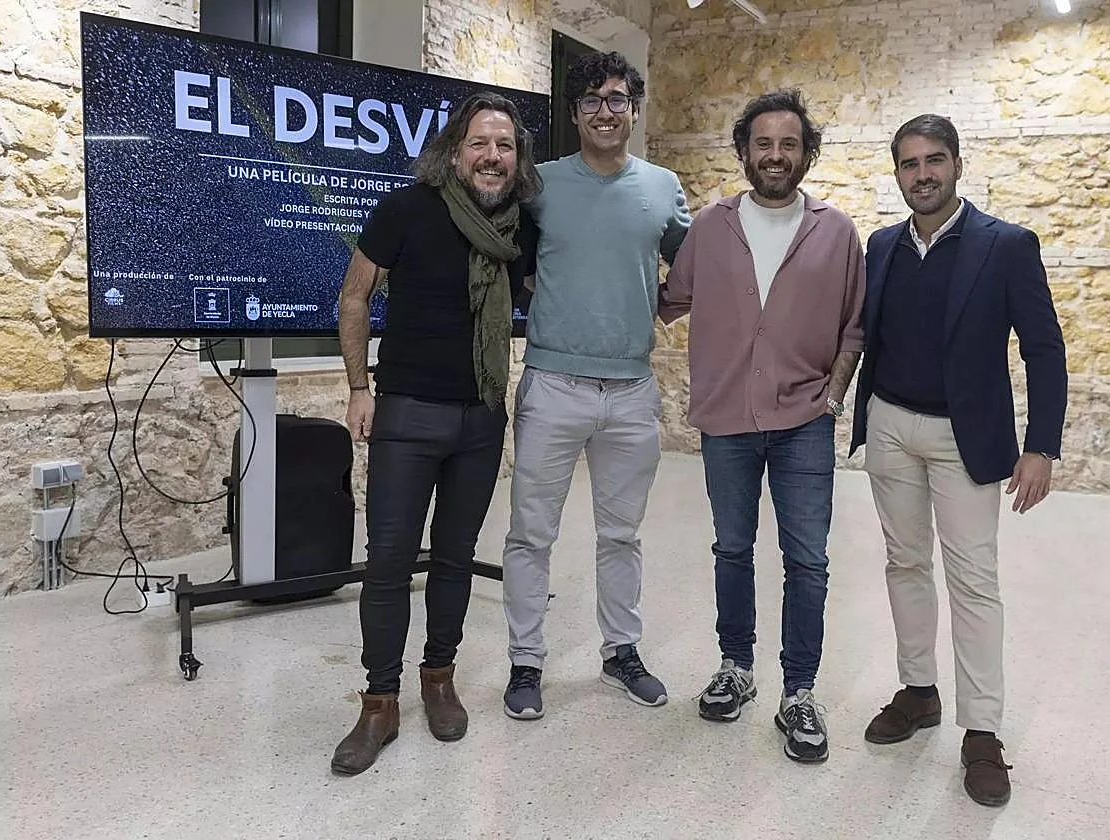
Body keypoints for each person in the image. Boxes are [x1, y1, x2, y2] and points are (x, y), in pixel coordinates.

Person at [850, 114, 1067, 805]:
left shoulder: (1006, 246)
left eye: (934, 160)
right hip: (891, 426)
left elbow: (1045, 348)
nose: (923, 175)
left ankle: (982, 732)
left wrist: (1041, 446)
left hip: (964, 439)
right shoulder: (882, 245)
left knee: (974, 581)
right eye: (909, 163)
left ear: (957, 165)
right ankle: (919, 692)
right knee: (904, 563)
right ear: (898, 173)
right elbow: (865, 335)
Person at [330, 91, 540, 775]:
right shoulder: (405, 209)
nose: (492, 156)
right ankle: (379, 701)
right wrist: (358, 388)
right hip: (408, 413)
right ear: (454, 152)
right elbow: (355, 295)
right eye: (480, 143)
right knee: (389, 560)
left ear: (517, 158)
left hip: (481, 415)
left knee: (455, 557)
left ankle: (439, 678)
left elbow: (550, 294)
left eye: (505, 145)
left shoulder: (520, 228)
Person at [659, 90, 865, 763]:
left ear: (807, 154)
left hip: (805, 421)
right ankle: (737, 667)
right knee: (732, 548)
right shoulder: (710, 227)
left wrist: (833, 397)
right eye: (764, 144)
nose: (776, 155)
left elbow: (854, 327)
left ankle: (799, 691)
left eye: (789, 145)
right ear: (744, 151)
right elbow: (667, 300)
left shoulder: (836, 231)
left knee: (808, 560)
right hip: (727, 419)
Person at [500, 50, 691, 720]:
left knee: (621, 534)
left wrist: (654, 308)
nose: (604, 112)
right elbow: (517, 265)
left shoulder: (663, 187)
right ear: (575, 113)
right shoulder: (541, 185)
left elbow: (691, 265)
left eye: (616, 99)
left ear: (634, 110)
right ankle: (526, 662)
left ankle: (621, 653)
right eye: (590, 101)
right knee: (531, 533)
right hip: (553, 383)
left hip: (631, 389)